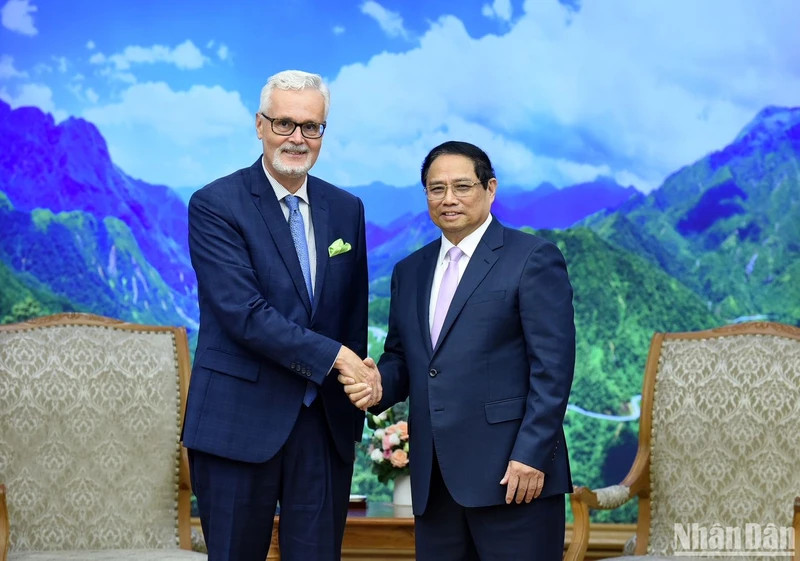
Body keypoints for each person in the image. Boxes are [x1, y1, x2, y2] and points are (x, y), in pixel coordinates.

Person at [345, 141, 575, 560]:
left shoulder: (533, 258)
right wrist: (379, 385)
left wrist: (531, 455)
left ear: (490, 189)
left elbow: (553, 370)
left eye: (462, 186)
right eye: (436, 189)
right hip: (435, 485)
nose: (448, 199)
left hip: (515, 478)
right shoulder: (409, 271)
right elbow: (403, 358)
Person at [183, 69, 379, 561]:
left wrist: (358, 384)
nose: (297, 138)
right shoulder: (215, 204)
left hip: (324, 427)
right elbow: (243, 313)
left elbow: (352, 313)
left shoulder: (346, 208)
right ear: (259, 125)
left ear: (323, 131)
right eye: (284, 124)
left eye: (311, 126)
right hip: (236, 423)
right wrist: (338, 358)